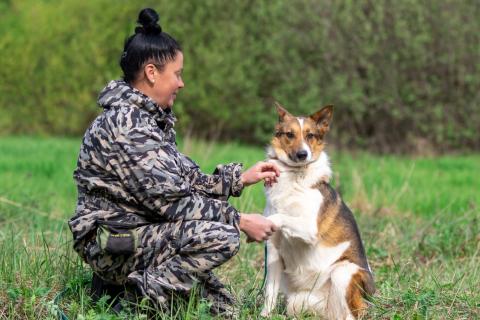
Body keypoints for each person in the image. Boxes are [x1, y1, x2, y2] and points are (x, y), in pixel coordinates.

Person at [68, 7, 279, 316]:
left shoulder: (150, 120)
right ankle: (133, 296)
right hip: (114, 242)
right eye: (177, 74)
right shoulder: (129, 126)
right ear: (152, 73)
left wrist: (240, 179)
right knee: (221, 236)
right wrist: (240, 220)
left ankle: (132, 285)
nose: (181, 84)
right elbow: (172, 202)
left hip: (139, 231)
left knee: (220, 307)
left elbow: (183, 179)